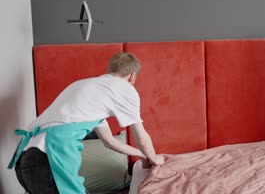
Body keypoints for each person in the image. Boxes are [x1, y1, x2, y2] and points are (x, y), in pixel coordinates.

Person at [8, 52, 164, 194]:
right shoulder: (125, 89)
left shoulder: (90, 90)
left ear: (110, 70)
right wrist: (154, 158)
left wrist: (141, 155)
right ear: (132, 76)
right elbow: (142, 138)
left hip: (24, 157)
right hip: (50, 157)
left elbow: (109, 142)